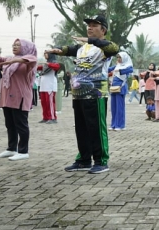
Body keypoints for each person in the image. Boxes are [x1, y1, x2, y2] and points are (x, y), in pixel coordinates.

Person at [49, 15, 119, 174]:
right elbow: (70, 49)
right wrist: (60, 50)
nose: (90, 27)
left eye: (95, 25)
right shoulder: (83, 47)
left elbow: (114, 49)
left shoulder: (103, 47)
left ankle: (101, 160)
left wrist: (91, 41)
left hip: (96, 94)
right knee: (81, 128)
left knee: (96, 128)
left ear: (103, 30)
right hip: (79, 94)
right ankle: (84, 160)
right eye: (89, 25)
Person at [0, 39, 37, 160]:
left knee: (21, 124)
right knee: (10, 124)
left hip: (20, 96)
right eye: (14, 45)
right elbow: (1, 60)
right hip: (8, 96)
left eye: (18, 45)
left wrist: (15, 60)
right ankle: (11, 149)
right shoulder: (10, 59)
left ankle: (23, 151)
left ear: (26, 48)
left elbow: (31, 59)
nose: (15, 47)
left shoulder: (30, 60)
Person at [108, 51, 133, 131]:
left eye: (120, 57)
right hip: (113, 87)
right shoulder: (117, 65)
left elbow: (130, 70)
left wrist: (120, 71)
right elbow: (108, 69)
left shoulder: (128, 65)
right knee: (113, 107)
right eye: (117, 57)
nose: (118, 59)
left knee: (120, 107)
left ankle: (120, 125)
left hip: (120, 87)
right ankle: (113, 124)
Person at [38, 51, 60, 124]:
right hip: (43, 85)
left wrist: (48, 64)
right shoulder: (45, 64)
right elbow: (39, 68)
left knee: (50, 102)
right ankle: (46, 117)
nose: (45, 55)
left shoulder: (54, 62)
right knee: (44, 102)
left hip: (50, 85)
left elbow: (57, 67)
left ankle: (52, 118)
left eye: (46, 53)